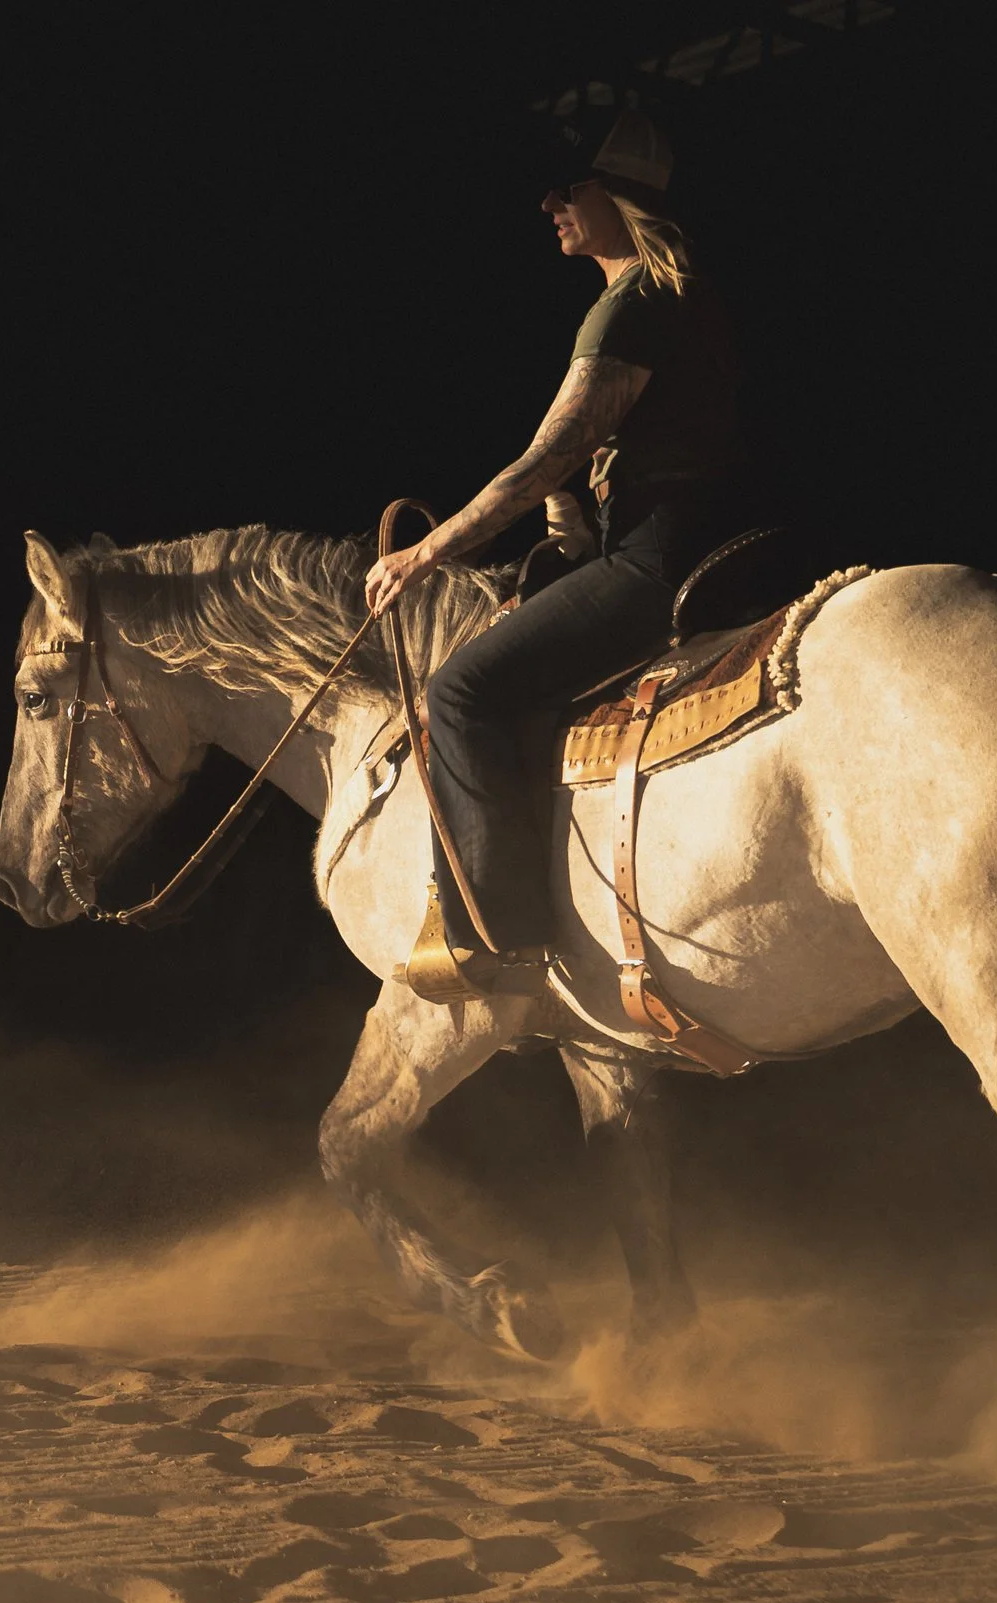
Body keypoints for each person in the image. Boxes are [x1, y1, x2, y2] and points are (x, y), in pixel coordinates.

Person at [364, 107, 746, 996]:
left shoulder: (630, 307)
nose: (549, 205)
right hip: (701, 536)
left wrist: (427, 553)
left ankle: (500, 939)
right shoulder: (683, 297)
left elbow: (545, 460)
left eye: (567, 189)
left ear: (619, 196)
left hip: (659, 559)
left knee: (458, 692)